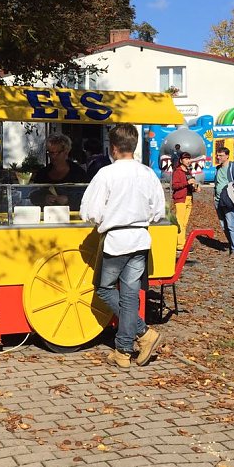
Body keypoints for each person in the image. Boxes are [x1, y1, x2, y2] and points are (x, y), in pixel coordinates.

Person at [80, 123, 166, 371]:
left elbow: (91, 211)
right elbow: (158, 211)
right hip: (140, 238)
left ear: (114, 148)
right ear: (134, 146)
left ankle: (131, 344)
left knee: (104, 289)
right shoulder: (147, 174)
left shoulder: (107, 174)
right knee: (129, 296)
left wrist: (105, 218)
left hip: (116, 241)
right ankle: (128, 346)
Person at [30, 133, 87, 207]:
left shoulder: (78, 173)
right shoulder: (42, 173)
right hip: (46, 215)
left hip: (72, 216)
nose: (53, 156)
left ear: (66, 152)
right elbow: (33, 195)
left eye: (57, 153)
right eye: (50, 153)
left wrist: (68, 199)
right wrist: (44, 198)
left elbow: (87, 196)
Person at [214, 145, 234, 257]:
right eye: (217, 155)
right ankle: (231, 245)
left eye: (221, 155)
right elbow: (216, 183)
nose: (218, 157)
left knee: (231, 224)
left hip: (229, 200)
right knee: (223, 225)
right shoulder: (218, 168)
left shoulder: (233, 167)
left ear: (227, 156)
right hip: (218, 200)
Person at [171, 151, 197, 252]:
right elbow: (175, 186)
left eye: (189, 158)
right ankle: (179, 245)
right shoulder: (177, 171)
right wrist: (187, 182)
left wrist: (195, 187)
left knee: (185, 223)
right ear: (181, 160)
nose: (188, 160)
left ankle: (182, 242)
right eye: (186, 159)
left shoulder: (188, 171)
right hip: (180, 199)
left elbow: (189, 185)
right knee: (180, 222)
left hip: (189, 198)